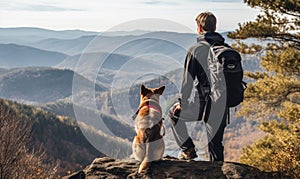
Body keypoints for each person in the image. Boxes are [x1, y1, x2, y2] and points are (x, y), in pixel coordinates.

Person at [169, 11, 228, 161]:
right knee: (215, 144)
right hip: (222, 102)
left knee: (174, 115)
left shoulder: (196, 49)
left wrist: (181, 102)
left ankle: (188, 150)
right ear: (214, 27)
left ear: (200, 29)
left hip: (202, 103)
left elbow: (187, 82)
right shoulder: (225, 48)